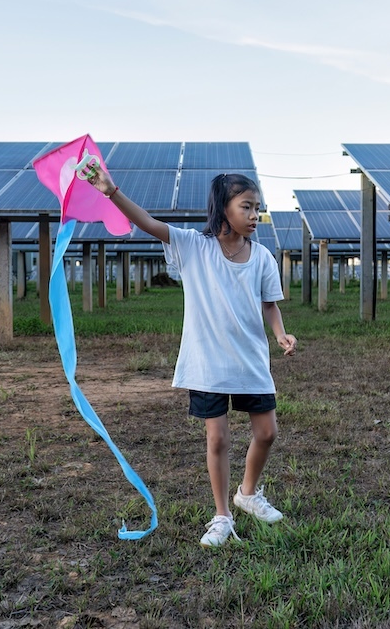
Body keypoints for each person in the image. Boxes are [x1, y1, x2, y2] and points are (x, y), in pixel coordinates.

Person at [85, 167, 297, 547]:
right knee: (217, 440)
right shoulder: (194, 247)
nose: (254, 215)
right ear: (223, 209)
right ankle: (221, 515)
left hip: (251, 362)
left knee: (267, 433)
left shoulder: (263, 257)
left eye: (257, 208)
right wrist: (110, 191)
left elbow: (270, 304)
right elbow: (147, 222)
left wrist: (280, 334)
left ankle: (247, 494)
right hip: (207, 364)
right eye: (246, 206)